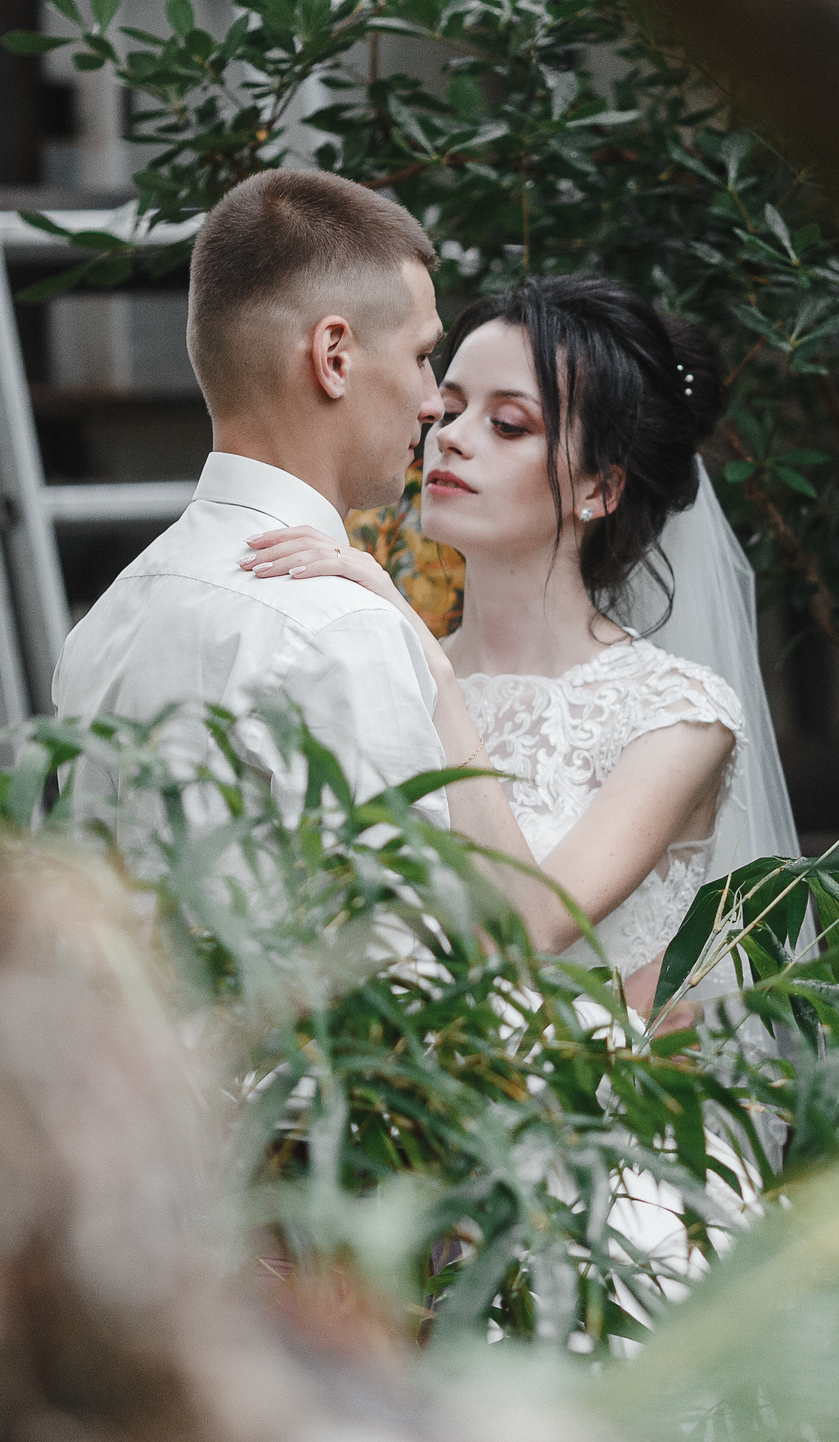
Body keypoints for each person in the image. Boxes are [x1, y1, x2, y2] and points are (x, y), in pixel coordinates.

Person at [237, 274, 797, 1018]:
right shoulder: (376, 672)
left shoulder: (682, 717)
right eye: (451, 409)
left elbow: (533, 929)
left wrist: (427, 664)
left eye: (507, 424)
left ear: (599, 488)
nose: (450, 437)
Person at [51, 170, 449, 810]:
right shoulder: (342, 629)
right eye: (422, 356)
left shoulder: (106, 620)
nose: (433, 402)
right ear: (334, 358)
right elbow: (398, 878)